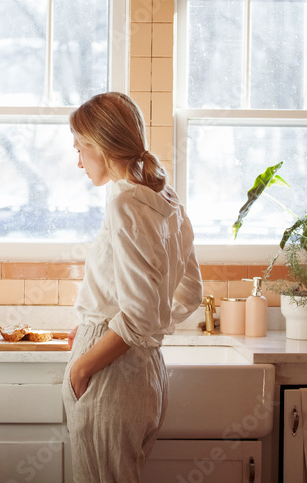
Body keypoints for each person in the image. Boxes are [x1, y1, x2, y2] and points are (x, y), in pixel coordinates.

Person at [63, 91, 203, 482]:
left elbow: (139, 317)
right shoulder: (168, 201)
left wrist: (85, 362)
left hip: (110, 374)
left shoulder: (125, 206)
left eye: (80, 149)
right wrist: (131, 326)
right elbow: (190, 295)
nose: (78, 161)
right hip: (147, 376)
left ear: (101, 146)